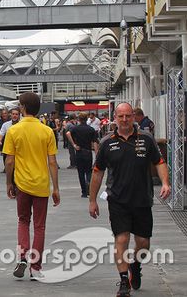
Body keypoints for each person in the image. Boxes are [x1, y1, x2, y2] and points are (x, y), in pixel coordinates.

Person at [89, 103, 170, 297]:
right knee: (122, 239)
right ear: (115, 118)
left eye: (128, 116)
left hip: (142, 199)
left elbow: (159, 162)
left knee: (143, 244)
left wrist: (165, 182)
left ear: (133, 116)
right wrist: (92, 200)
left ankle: (135, 265)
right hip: (117, 200)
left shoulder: (146, 138)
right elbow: (98, 172)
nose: (124, 120)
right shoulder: (107, 142)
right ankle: (124, 280)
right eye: (121, 116)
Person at [3, 93, 60, 281]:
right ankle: (35, 267)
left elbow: (9, 161)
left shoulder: (14, 131)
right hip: (42, 184)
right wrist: (56, 188)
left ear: (23, 108)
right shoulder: (47, 131)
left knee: (23, 220)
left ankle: (22, 257)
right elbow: (52, 162)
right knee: (39, 226)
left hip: (22, 184)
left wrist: (9, 182)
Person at [66, 113, 99, 198]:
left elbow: (68, 134)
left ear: (79, 119)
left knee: (80, 173)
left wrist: (74, 145)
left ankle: (84, 192)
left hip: (79, 152)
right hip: (88, 152)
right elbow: (95, 143)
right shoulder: (91, 129)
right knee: (88, 171)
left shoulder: (75, 128)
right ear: (86, 118)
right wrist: (97, 154)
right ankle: (89, 187)